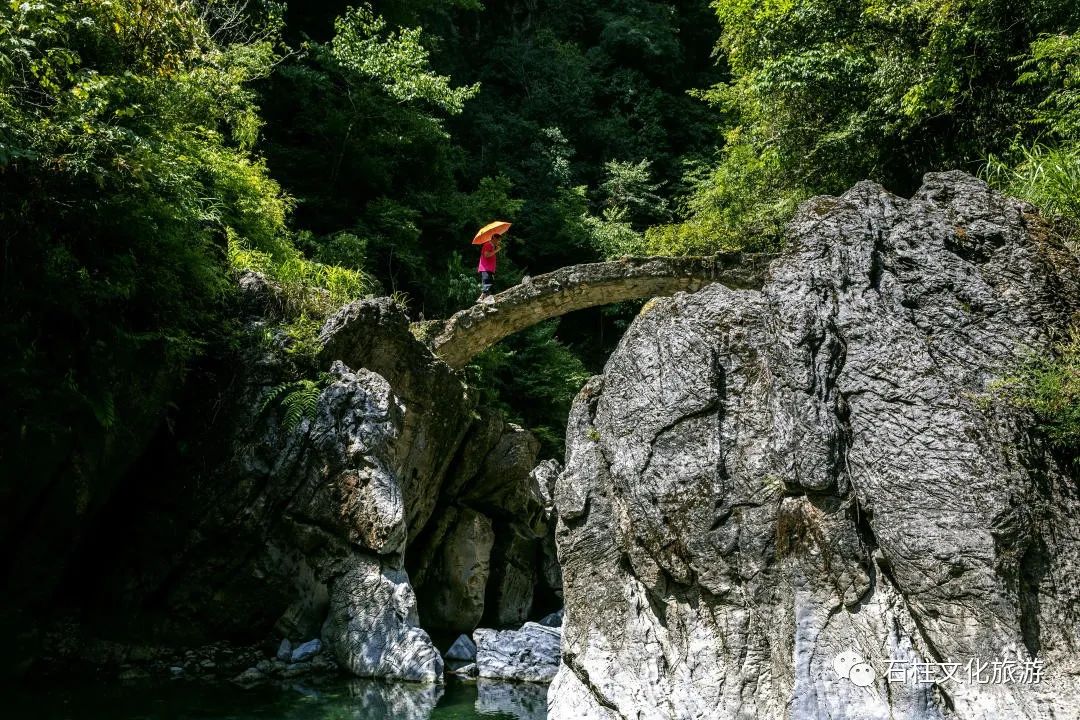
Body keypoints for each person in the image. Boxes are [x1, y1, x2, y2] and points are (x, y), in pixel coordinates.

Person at [476, 232, 503, 303]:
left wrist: (495, 249)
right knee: (487, 282)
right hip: (485, 268)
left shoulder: (492, 246)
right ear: (494, 238)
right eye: (498, 240)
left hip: (489, 269)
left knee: (490, 283)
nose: (499, 242)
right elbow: (486, 255)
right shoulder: (487, 245)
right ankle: (481, 298)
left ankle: (485, 299)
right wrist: (496, 250)